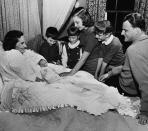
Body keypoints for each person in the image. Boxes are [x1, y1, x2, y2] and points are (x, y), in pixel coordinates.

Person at [0, 30, 134, 116]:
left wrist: (41, 61)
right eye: (22, 43)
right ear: (13, 44)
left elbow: (33, 55)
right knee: (66, 90)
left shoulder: (23, 52)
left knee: (77, 76)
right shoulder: (12, 55)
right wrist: (44, 77)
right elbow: (27, 75)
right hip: (21, 82)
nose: (25, 46)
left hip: (38, 71)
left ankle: (97, 90)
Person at [119, 13, 148, 125]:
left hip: (128, 92)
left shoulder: (133, 50)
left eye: (125, 30)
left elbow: (145, 83)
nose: (122, 33)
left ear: (137, 30)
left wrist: (145, 112)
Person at [60, 8, 100, 76]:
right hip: (83, 64)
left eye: (77, 22)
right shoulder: (83, 30)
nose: (75, 25)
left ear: (85, 20)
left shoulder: (92, 35)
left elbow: (83, 58)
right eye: (74, 23)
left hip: (92, 66)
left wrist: (70, 73)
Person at [94, 20, 125, 87]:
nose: (96, 36)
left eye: (99, 35)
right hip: (108, 65)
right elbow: (101, 57)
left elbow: (105, 62)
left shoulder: (115, 43)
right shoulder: (102, 40)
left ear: (107, 34)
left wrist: (100, 78)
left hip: (118, 68)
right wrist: (96, 74)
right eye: (96, 34)